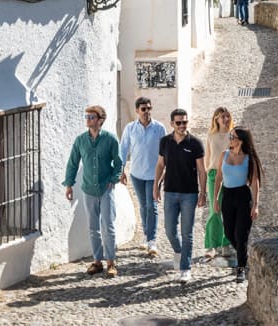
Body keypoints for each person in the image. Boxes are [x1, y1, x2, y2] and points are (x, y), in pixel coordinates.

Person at [63, 105, 122, 278]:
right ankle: (97, 261)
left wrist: (113, 179)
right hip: (88, 190)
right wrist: (69, 184)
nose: (88, 119)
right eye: (87, 116)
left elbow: (118, 163)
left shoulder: (110, 139)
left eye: (92, 117)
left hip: (105, 189)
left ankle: (111, 262)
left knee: (108, 227)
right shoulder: (80, 140)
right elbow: (72, 163)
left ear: (100, 120)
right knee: (92, 227)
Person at [154, 108, 207, 283]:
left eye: (185, 122)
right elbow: (161, 165)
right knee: (169, 230)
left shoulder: (195, 144)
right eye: (179, 122)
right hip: (169, 192)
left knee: (187, 233)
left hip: (189, 194)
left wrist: (203, 193)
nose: (182, 125)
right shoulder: (165, 142)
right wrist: (156, 186)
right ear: (172, 124)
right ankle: (179, 252)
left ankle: (185, 268)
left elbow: (201, 170)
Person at [214, 126, 262, 283]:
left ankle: (241, 268)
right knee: (229, 233)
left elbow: (255, 182)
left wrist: (255, 205)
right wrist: (215, 199)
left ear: (240, 140)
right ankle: (244, 256)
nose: (230, 139)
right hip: (227, 196)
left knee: (241, 235)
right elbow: (219, 177)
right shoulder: (224, 155)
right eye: (230, 136)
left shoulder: (249, 159)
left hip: (242, 197)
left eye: (233, 137)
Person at [119, 97, 167, 256]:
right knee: (143, 205)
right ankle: (146, 235)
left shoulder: (159, 128)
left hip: (154, 174)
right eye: (143, 109)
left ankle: (152, 241)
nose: (147, 112)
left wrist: (166, 170)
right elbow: (124, 149)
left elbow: (166, 151)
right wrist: (121, 169)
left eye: (149, 108)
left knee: (152, 206)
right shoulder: (130, 128)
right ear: (137, 111)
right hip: (137, 174)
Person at [204, 107, 233, 259]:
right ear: (216, 119)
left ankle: (226, 243)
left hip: (229, 175)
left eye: (228, 116)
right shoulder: (211, 135)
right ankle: (211, 245)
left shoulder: (233, 135)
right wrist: (209, 170)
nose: (226, 119)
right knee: (214, 210)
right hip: (214, 174)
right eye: (223, 117)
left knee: (227, 210)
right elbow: (208, 157)